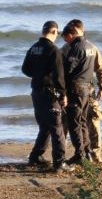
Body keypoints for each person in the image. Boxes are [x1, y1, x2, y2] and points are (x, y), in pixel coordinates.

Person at [21, 21, 71, 172]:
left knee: (44, 126)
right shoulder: (53, 50)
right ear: (54, 31)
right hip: (50, 93)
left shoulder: (34, 48)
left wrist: (38, 75)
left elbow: (25, 69)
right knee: (57, 127)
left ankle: (36, 156)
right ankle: (59, 162)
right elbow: (59, 76)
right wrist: (63, 94)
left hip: (36, 91)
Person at [61, 19, 102, 162]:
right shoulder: (72, 48)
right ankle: (77, 153)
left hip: (79, 89)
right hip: (85, 89)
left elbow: (100, 68)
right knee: (71, 122)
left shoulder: (81, 48)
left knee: (89, 121)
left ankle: (91, 154)